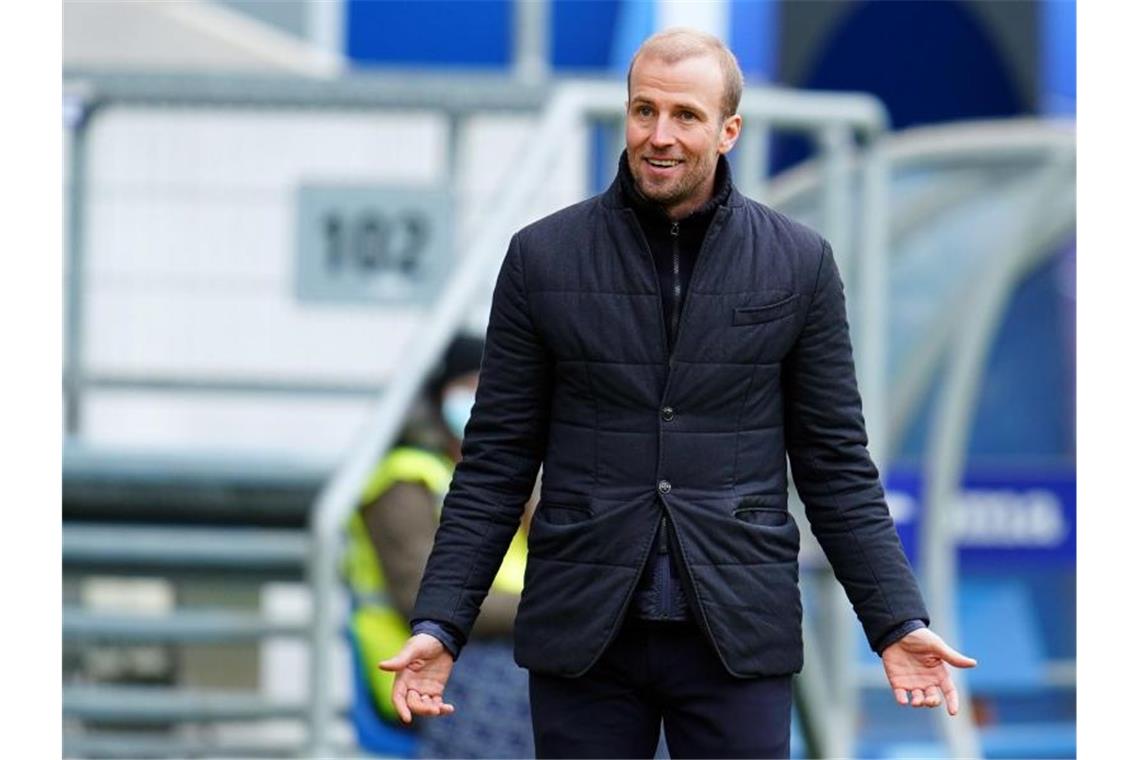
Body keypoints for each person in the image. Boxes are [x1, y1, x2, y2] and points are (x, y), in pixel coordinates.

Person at [379, 28, 977, 758]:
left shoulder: (798, 264)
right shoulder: (542, 258)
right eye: (644, 111)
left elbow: (835, 465)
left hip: (736, 628)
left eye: (686, 116)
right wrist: (441, 623)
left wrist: (894, 622)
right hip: (584, 632)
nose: (660, 136)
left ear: (728, 131)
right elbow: (495, 463)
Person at [348, 335, 535, 758]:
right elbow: (421, 598)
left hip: (509, 645)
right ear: (437, 398)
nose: (480, 400)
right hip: (423, 661)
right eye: (467, 387)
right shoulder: (406, 479)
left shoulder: (514, 477)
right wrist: (546, 608)